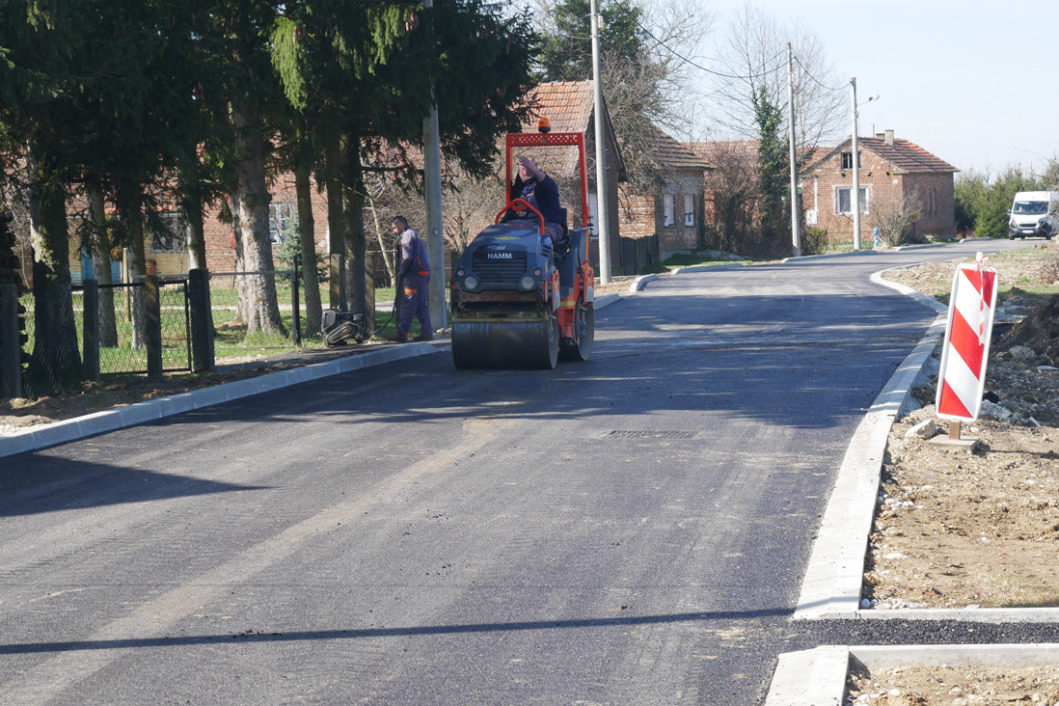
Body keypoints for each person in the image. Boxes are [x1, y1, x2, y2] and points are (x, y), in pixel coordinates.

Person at [386, 216, 433, 343]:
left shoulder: (407, 235)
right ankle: (427, 331)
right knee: (420, 304)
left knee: (408, 302)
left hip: (414, 275)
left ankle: (402, 333)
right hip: (423, 274)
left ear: (401, 225)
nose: (394, 231)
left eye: (394, 228)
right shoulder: (415, 233)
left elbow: (406, 257)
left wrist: (402, 271)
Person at [502, 156, 565, 244]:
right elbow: (509, 213)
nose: (526, 171)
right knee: (499, 236)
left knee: (537, 239)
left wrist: (535, 170)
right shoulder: (518, 189)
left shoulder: (544, 186)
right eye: (523, 168)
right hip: (520, 225)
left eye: (529, 168)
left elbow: (547, 183)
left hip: (546, 225)